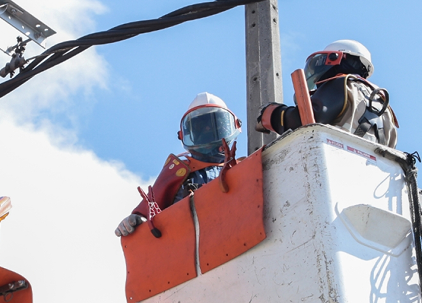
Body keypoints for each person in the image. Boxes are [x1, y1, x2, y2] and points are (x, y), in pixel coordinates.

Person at [115, 92, 242, 237]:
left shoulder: (241, 169)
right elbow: (151, 208)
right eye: (201, 127)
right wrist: (136, 220)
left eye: (214, 125)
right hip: (189, 241)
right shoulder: (179, 170)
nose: (208, 130)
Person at [255, 39, 398, 147]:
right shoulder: (384, 106)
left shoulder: (341, 83)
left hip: (336, 163)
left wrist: (272, 113)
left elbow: (307, 120)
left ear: (336, 57)